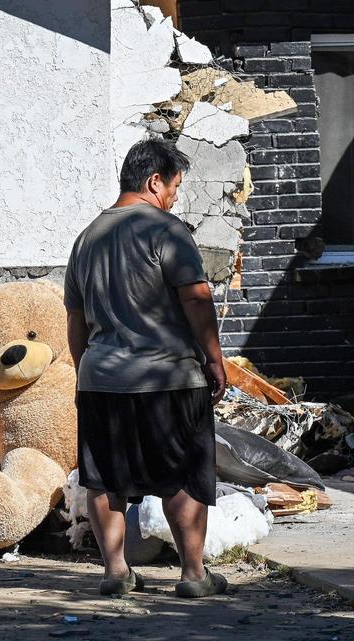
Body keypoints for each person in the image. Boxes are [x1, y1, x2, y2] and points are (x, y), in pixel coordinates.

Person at [63, 138, 228, 598]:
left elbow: (76, 321)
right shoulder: (167, 230)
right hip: (168, 378)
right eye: (175, 186)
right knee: (182, 475)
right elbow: (196, 297)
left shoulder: (88, 237)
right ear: (154, 181)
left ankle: (115, 571)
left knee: (104, 479)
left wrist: (87, 371)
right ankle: (194, 575)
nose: (175, 196)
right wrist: (214, 358)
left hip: (102, 380)